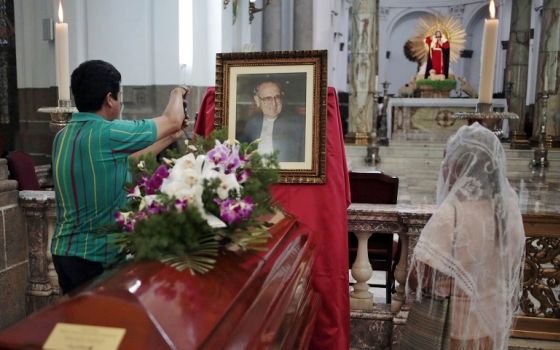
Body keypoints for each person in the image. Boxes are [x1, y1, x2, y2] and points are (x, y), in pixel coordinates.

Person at [51, 60, 188, 294]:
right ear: (109, 99)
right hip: (93, 256)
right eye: (119, 94)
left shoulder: (63, 135)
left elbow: (127, 161)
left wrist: (170, 137)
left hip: (64, 252)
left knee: (79, 323)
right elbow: (172, 118)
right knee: (104, 326)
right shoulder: (107, 132)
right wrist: (178, 92)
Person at [402, 123, 525, 349]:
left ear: (460, 168)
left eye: (447, 163)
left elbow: (418, 277)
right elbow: (511, 262)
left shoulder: (451, 215)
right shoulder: (507, 208)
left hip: (452, 328)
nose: (445, 170)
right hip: (490, 323)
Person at [237, 80, 305, 162]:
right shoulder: (252, 123)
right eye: (267, 98)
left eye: (277, 97)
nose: (274, 103)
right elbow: (240, 153)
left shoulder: (299, 124)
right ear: (257, 101)